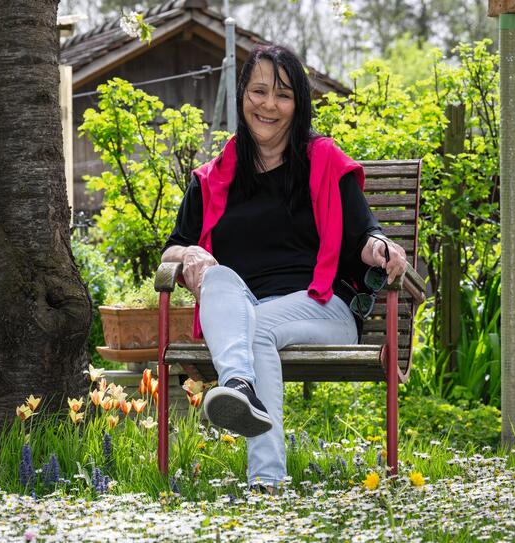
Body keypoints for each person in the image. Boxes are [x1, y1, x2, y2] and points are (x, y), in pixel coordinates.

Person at [161, 45, 408, 492]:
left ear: (299, 105)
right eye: (258, 91)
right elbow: (172, 249)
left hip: (322, 307)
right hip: (247, 310)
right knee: (217, 278)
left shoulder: (324, 161)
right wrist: (188, 255)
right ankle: (242, 388)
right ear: (242, 98)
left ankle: (264, 476)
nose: (268, 105)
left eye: (283, 94)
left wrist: (380, 248)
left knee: (254, 328)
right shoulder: (214, 177)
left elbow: (365, 234)